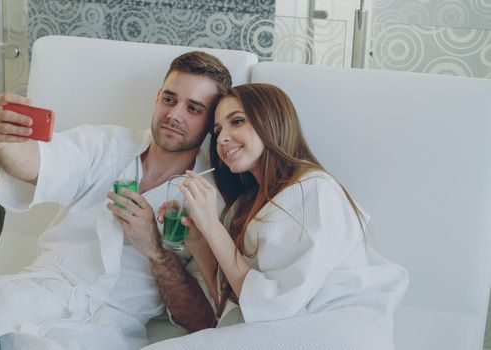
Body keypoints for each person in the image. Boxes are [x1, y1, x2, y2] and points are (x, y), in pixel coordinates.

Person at [0, 51, 232, 350]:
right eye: (169, 99)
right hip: (35, 292)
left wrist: (155, 250)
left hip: (101, 327)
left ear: (211, 122)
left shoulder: (208, 200)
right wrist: (4, 145)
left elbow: (200, 319)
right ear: (157, 97)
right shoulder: (106, 146)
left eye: (193, 108)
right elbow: (39, 164)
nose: (174, 115)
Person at [144, 83, 409, 350]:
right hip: (281, 327)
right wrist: (200, 240)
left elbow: (273, 307)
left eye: (237, 121)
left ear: (270, 121)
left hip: (332, 327)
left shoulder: (313, 189)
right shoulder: (243, 207)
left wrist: (212, 225)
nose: (222, 138)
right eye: (217, 131)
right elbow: (234, 308)